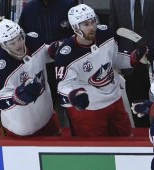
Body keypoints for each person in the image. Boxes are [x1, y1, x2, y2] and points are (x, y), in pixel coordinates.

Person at [54, 4, 147, 136]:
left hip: (115, 101)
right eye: (85, 24)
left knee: (125, 142)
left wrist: (132, 58)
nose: (92, 27)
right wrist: (73, 95)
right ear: (75, 27)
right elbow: (63, 86)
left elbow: (114, 59)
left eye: (93, 21)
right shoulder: (66, 54)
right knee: (95, 152)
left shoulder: (106, 34)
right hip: (90, 111)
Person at [0, 19, 61, 137]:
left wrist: (55, 50)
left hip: (47, 116)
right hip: (20, 128)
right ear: (3, 45)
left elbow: (47, 54)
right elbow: (1, 100)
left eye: (19, 38)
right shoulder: (0, 67)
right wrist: (17, 97)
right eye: (12, 43)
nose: (18, 44)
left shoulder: (34, 41)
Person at [110, 0, 154, 127]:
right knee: (138, 108)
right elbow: (114, 30)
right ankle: (142, 139)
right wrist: (115, 61)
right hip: (131, 64)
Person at [18, 0, 78, 127]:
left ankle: (76, 142)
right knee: (45, 114)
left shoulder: (69, 6)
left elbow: (79, 36)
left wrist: (63, 44)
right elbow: (22, 42)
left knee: (73, 109)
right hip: (41, 69)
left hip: (69, 67)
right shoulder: (29, 10)